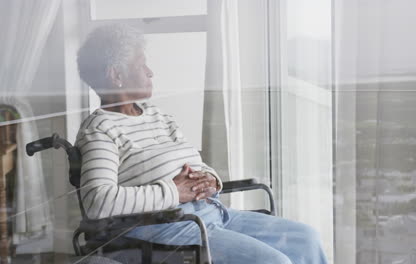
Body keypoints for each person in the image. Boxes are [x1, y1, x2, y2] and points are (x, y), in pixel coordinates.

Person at [76, 24, 327, 264]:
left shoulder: (157, 116)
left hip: (211, 212)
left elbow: (194, 163)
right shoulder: (100, 129)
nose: (151, 72)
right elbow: (98, 201)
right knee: (275, 261)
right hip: (166, 225)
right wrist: (173, 191)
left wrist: (211, 180)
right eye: (141, 65)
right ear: (116, 75)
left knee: (306, 239)